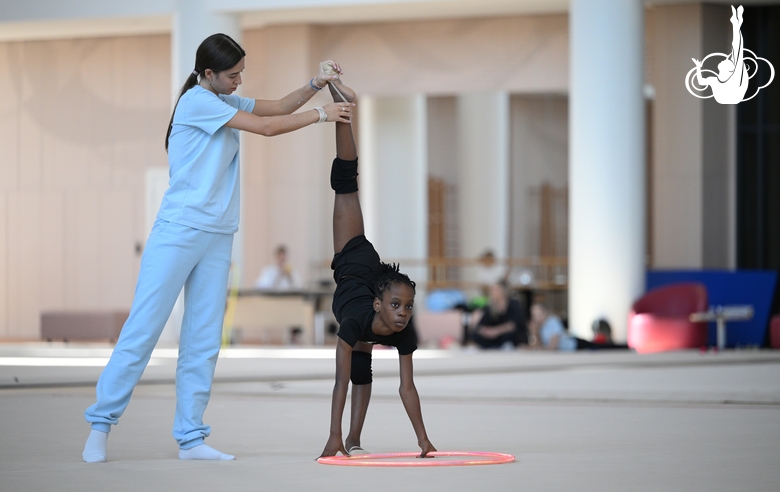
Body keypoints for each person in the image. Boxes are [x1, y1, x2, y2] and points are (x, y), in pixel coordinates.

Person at [82, 33, 353, 463]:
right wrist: (322, 115)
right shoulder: (196, 102)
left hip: (218, 233)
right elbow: (266, 129)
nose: (239, 81)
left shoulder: (225, 100)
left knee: (203, 338)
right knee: (144, 329)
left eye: (242, 72)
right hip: (178, 231)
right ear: (207, 73)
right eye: (232, 75)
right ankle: (100, 425)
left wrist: (315, 83)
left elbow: (279, 108)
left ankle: (191, 438)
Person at [318, 76, 436, 459]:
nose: (404, 314)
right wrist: (330, 436)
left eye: (408, 307)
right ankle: (341, 106)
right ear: (380, 304)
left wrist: (424, 442)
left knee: (363, 368)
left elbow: (407, 388)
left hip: (364, 286)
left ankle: (355, 438)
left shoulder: (401, 333)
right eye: (398, 306)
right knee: (344, 183)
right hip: (355, 256)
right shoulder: (354, 325)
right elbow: (339, 383)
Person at [692, 6, 748, 104]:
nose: (725, 59)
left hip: (733, 95)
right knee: (737, 52)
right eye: (728, 60)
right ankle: (736, 23)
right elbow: (701, 82)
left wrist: (736, 25)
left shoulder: (733, 77)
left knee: (737, 51)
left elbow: (737, 48)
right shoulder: (715, 80)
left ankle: (736, 23)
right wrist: (698, 67)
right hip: (729, 96)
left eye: (727, 61)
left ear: (728, 69)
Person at [528, 303, 627, 351]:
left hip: (573, 344)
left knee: (598, 346)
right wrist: (535, 333)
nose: (536, 317)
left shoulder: (553, 322)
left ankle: (625, 346)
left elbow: (552, 347)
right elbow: (538, 347)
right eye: (534, 314)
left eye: (538, 313)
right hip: (568, 348)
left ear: (545, 313)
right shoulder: (540, 328)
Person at [471, 282, 528, 350]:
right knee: (476, 335)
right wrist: (486, 331)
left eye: (497, 289)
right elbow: (480, 325)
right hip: (495, 337)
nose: (494, 292)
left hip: (507, 334)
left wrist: (496, 331)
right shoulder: (491, 307)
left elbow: (515, 324)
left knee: (512, 335)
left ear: (503, 291)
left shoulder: (514, 304)